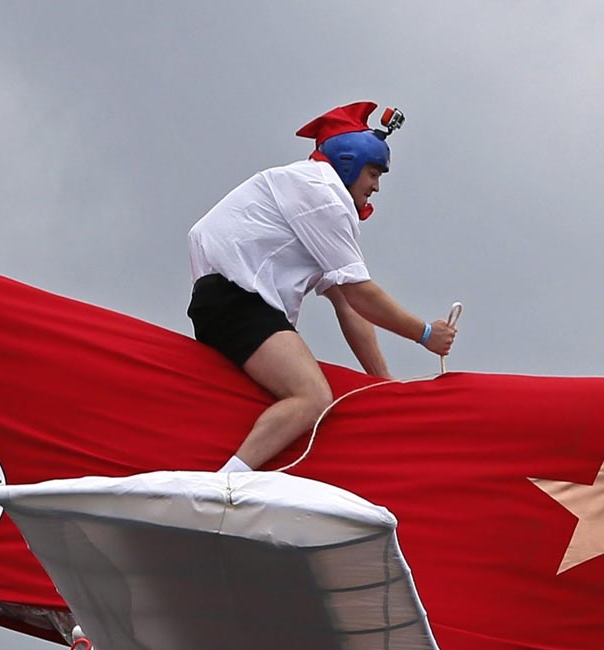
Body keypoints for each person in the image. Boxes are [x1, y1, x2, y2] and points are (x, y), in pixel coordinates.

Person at [187, 101, 458, 472]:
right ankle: (224, 484)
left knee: (289, 394)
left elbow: (347, 303)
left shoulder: (307, 190)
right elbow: (361, 293)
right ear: (349, 162)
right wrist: (425, 334)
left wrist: (382, 383)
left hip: (227, 302)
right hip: (239, 302)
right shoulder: (323, 195)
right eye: (374, 174)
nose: (377, 187)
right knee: (312, 396)